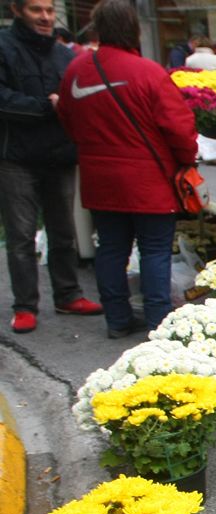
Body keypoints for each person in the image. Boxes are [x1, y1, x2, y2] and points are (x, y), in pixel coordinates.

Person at [56, 0, 198, 338]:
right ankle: (158, 324)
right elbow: (179, 128)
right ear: (133, 28)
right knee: (154, 249)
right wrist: (186, 159)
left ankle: (117, 319)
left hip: (99, 179)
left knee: (111, 248)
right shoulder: (148, 72)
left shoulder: (76, 71)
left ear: (97, 28)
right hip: (148, 180)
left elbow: (67, 121)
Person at [0, 0, 102, 334]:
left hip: (59, 156)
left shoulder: (65, 55)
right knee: (21, 237)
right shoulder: (4, 47)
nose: (45, 17)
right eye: (35, 10)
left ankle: (68, 294)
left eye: (48, 10)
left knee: (64, 233)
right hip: (16, 158)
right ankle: (25, 306)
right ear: (17, 11)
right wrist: (45, 107)